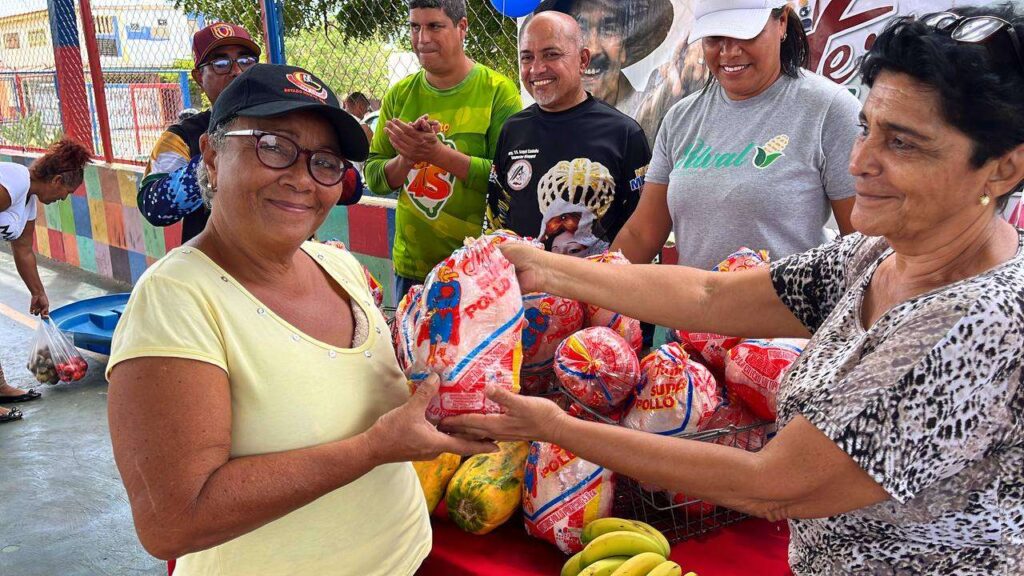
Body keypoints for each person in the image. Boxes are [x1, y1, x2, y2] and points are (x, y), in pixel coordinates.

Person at [444, 5, 1024, 572]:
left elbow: (772, 484)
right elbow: (712, 298)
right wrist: (547, 270)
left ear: (1002, 169)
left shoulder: (978, 322)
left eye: (903, 143)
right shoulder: (876, 257)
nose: (859, 161)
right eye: (867, 129)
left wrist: (556, 428)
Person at [106, 64, 494, 575]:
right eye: (273, 145)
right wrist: (373, 449)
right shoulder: (174, 300)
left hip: (406, 557)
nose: (301, 179)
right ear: (212, 157)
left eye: (325, 162)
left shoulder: (339, 267)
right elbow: (172, 522)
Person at [612, 0, 860, 272]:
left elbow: (862, 245)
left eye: (745, 34)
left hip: (788, 301)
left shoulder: (829, 109)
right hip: (691, 300)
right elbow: (642, 233)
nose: (729, 51)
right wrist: (594, 284)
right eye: (714, 38)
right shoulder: (680, 118)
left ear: (782, 23)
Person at [364, 0, 521, 298]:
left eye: (434, 26)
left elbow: (508, 179)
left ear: (462, 27)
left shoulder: (498, 92)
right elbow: (374, 177)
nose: (422, 39)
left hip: (478, 268)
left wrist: (438, 155)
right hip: (412, 270)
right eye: (415, 27)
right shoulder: (399, 95)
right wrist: (407, 158)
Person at [485, 11, 649, 258]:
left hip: (596, 282)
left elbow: (642, 232)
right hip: (520, 280)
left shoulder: (625, 134)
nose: (537, 68)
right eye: (527, 57)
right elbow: (495, 219)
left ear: (583, 60)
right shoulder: (513, 130)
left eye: (551, 54)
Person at [137, 22, 261, 243]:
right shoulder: (182, 136)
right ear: (198, 77)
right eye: (221, 64)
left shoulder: (285, 120)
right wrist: (215, 160)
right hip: (212, 260)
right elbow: (153, 206)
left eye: (246, 61)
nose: (237, 71)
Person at [0, 139, 91, 423]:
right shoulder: (15, 180)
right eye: (67, 192)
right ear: (57, 180)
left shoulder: (28, 201)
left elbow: (23, 249)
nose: (64, 198)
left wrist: (38, 292)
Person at [536, 0, 672, 115]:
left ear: (624, 46)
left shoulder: (654, 111)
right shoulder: (540, 125)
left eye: (608, 29)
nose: (593, 50)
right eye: (579, 29)